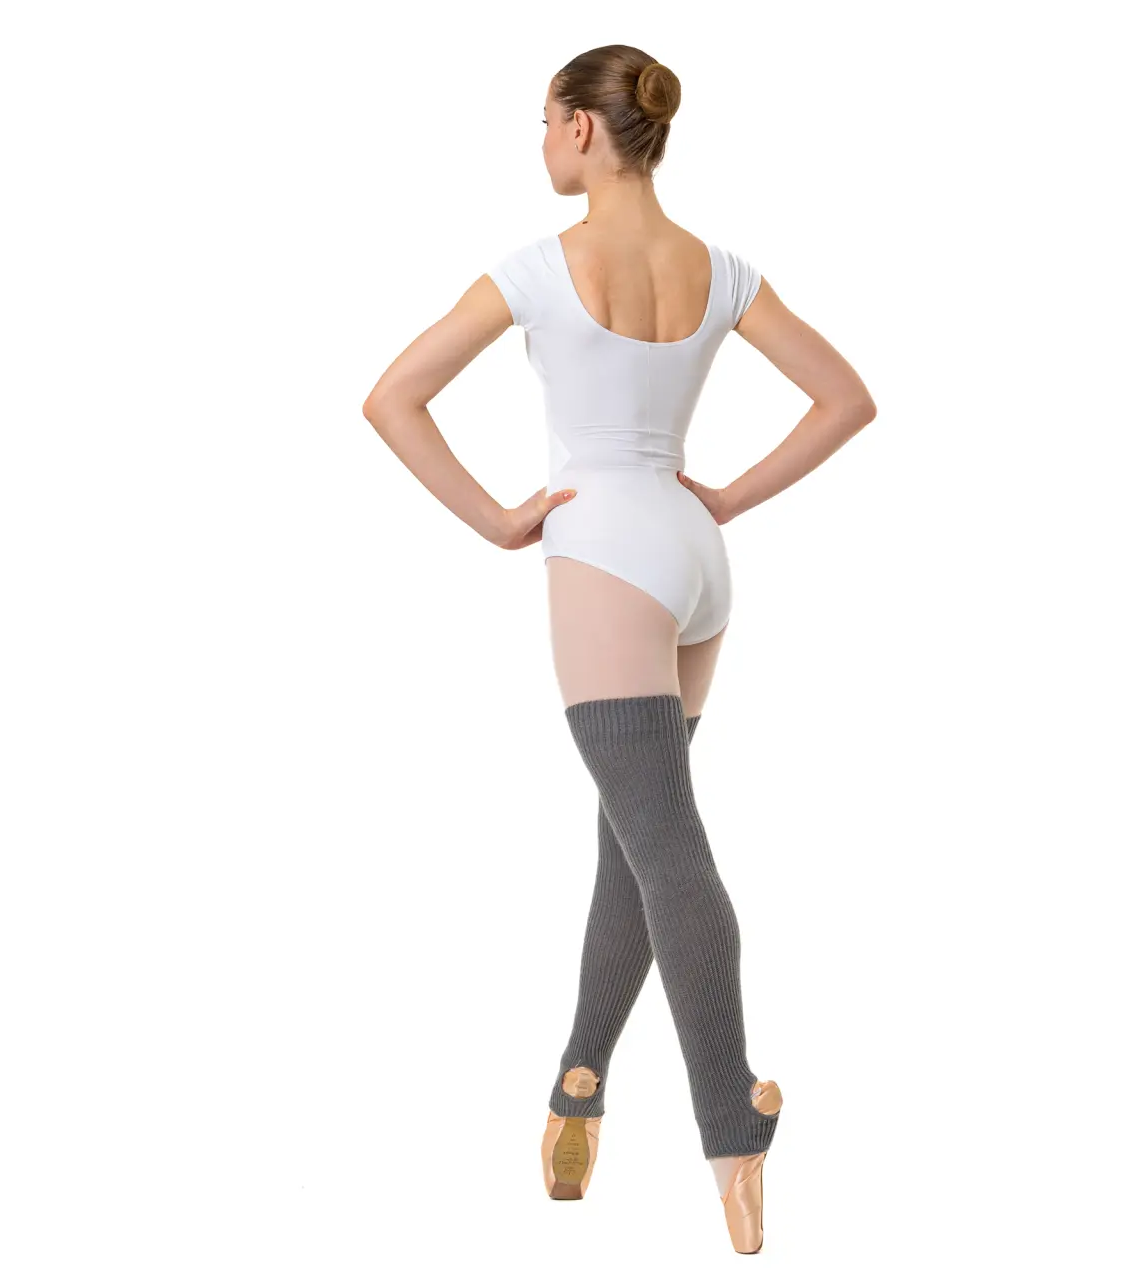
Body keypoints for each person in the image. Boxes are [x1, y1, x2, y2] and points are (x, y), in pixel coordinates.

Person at [362, 44, 876, 1254]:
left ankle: (732, 1123)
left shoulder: (539, 268)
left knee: (666, 849)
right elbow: (846, 398)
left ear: (583, 130)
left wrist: (496, 518)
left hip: (601, 556)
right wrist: (726, 499)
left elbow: (390, 396)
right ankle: (578, 1084)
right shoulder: (719, 268)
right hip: (694, 557)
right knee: (633, 842)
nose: (539, 141)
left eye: (544, 120)